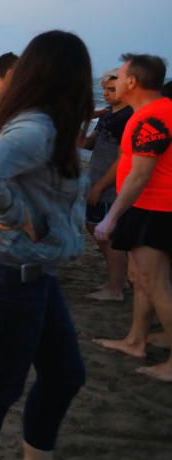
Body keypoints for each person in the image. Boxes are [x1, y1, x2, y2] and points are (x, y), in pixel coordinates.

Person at [0, 30, 92, 460]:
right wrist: (21, 214)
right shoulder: (37, 128)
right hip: (5, 269)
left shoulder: (44, 123)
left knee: (65, 373)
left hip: (30, 269)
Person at [93, 54, 172, 381]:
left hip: (155, 209)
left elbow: (140, 176)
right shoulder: (153, 112)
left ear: (133, 82)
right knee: (142, 280)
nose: (116, 79)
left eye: (121, 74)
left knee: (155, 285)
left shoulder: (152, 117)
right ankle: (136, 340)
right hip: (148, 207)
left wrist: (111, 217)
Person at [81, 70, 132, 301]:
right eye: (104, 89)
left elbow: (124, 158)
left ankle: (115, 286)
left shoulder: (127, 117)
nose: (106, 94)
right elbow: (88, 144)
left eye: (112, 89)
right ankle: (122, 278)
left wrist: (100, 186)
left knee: (106, 235)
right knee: (98, 230)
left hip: (109, 186)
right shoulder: (108, 114)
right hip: (96, 179)